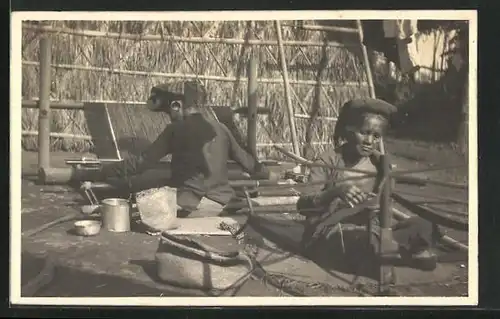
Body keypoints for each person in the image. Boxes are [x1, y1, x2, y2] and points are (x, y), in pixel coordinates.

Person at [296, 98, 442, 271]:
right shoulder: (327, 160)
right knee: (364, 240)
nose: (369, 141)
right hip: (330, 232)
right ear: (349, 130)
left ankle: (386, 249)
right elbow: (302, 206)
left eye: (376, 136)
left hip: (372, 229)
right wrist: (336, 192)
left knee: (425, 225)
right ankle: (396, 251)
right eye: (364, 132)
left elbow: (385, 211)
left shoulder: (381, 164)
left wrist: (377, 211)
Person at [103, 80, 275, 218]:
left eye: (169, 112)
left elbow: (140, 164)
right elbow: (248, 162)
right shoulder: (221, 128)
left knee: (137, 203)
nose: (169, 118)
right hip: (223, 203)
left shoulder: (175, 130)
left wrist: (94, 173)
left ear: (177, 105)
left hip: (191, 205)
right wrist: (270, 175)